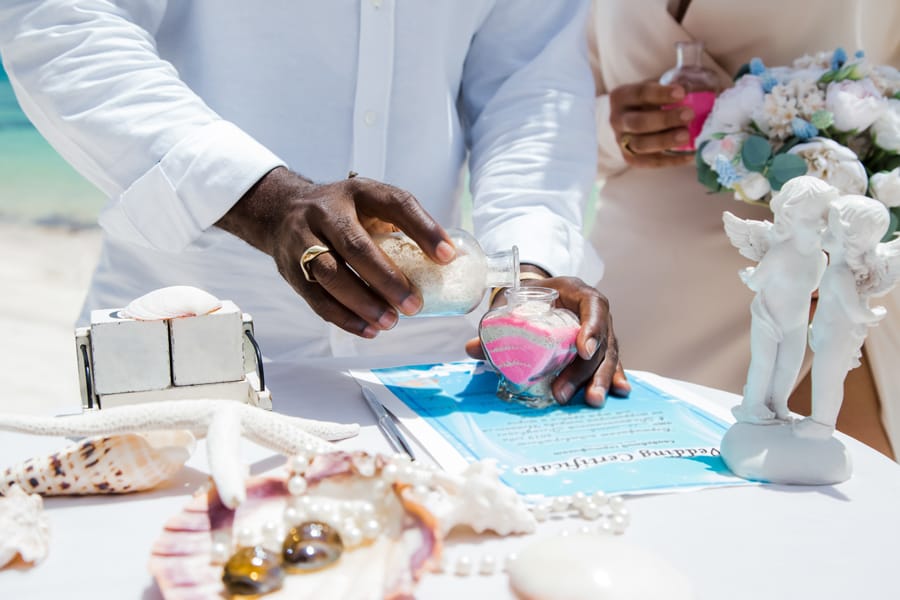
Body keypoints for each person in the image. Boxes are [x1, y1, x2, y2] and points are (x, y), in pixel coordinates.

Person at [0, 1, 627, 406]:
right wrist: (263, 200)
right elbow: (61, 21)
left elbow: (529, 85)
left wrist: (529, 279)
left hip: (434, 370)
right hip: (183, 341)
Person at [588, 0, 900, 453]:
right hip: (643, 291)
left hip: (825, 277)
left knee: (843, 506)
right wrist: (607, 126)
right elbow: (532, 109)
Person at [723, 177, 834, 424]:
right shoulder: (780, 254)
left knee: (790, 365)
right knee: (764, 363)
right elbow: (757, 282)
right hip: (768, 318)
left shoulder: (819, 259)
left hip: (796, 323)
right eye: (810, 219)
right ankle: (753, 403)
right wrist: (750, 277)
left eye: (824, 220)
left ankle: (780, 402)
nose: (820, 226)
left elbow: (813, 287)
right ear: (789, 219)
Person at [797, 195, 900, 439]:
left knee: (827, 378)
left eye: (830, 227)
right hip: (827, 332)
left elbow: (853, 309)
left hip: (836, 336)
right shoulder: (838, 272)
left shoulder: (840, 275)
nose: (823, 230)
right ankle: (821, 419)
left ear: (849, 237)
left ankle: (822, 422)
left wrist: (870, 314)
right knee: (826, 376)